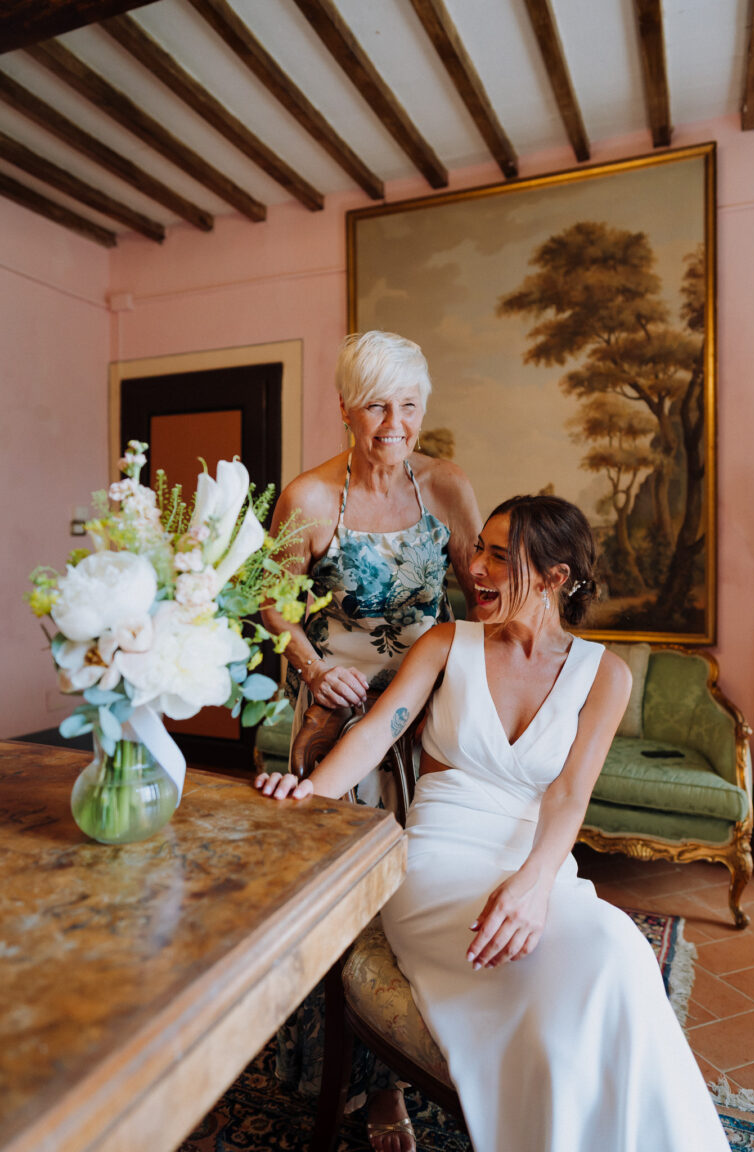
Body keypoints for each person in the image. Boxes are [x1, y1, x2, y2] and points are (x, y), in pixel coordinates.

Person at [256, 494, 730, 1152]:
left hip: (537, 865)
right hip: (437, 865)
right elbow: (374, 736)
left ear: (555, 577)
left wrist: (535, 885)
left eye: (499, 557)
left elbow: (568, 797)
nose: (473, 567)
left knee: (616, 957)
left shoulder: (606, 676)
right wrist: (307, 792)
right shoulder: (448, 642)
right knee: (590, 967)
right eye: (478, 548)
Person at [260, 330, 481, 1151]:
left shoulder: (447, 485)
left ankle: (415, 1050)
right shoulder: (312, 499)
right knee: (355, 898)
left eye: (411, 404)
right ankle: (355, 1074)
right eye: (379, 403)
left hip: (429, 712)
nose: (397, 421)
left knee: (427, 878)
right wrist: (316, 673)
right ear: (346, 407)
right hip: (342, 716)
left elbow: (478, 585)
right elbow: (270, 602)